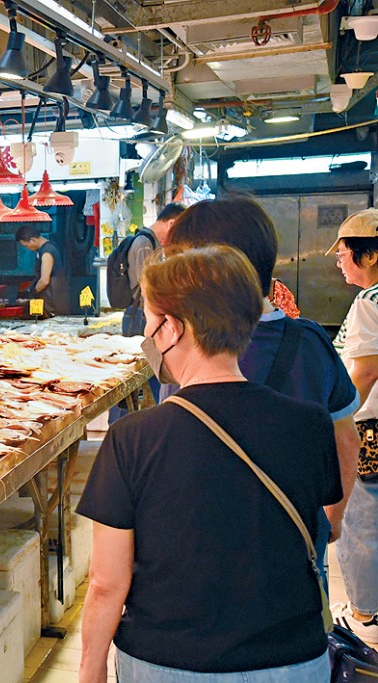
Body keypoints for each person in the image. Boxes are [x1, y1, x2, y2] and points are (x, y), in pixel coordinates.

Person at [78, 245, 340, 683]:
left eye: (149, 321)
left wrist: (90, 672)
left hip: (167, 662)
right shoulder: (310, 424)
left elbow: (107, 583)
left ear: (173, 329)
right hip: (293, 659)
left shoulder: (132, 438)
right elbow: (329, 523)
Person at [168, 196, 360, 590]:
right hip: (295, 542)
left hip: (201, 550)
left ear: (209, 273)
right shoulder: (310, 343)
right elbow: (346, 442)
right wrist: (330, 520)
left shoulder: (183, 345)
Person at [330, 208, 378, 643]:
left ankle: (365, 613)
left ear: (369, 256)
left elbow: (363, 373)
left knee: (361, 518)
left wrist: (337, 425)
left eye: (343, 253)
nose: (338, 261)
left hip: (370, 427)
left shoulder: (369, 302)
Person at [121, 202, 184, 337]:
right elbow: (146, 285)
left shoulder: (151, 242)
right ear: (171, 224)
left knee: (145, 357)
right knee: (142, 356)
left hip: (143, 313)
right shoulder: (144, 243)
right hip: (140, 316)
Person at [15, 224, 68, 315]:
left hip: (53, 303)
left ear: (32, 240)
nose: (27, 248)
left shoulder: (47, 252)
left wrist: (30, 295)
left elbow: (44, 281)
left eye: (26, 245)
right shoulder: (43, 249)